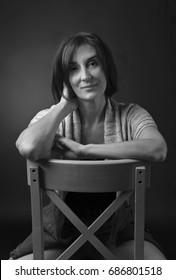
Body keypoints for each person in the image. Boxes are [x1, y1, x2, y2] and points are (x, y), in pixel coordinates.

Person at [10, 32, 167, 260]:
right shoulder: (51, 118)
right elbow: (27, 147)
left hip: (119, 231)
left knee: (160, 270)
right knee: (15, 271)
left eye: (92, 63)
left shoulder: (132, 114)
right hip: (59, 231)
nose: (85, 76)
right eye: (73, 69)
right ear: (64, 78)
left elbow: (158, 148)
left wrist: (85, 150)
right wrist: (64, 106)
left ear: (106, 68)